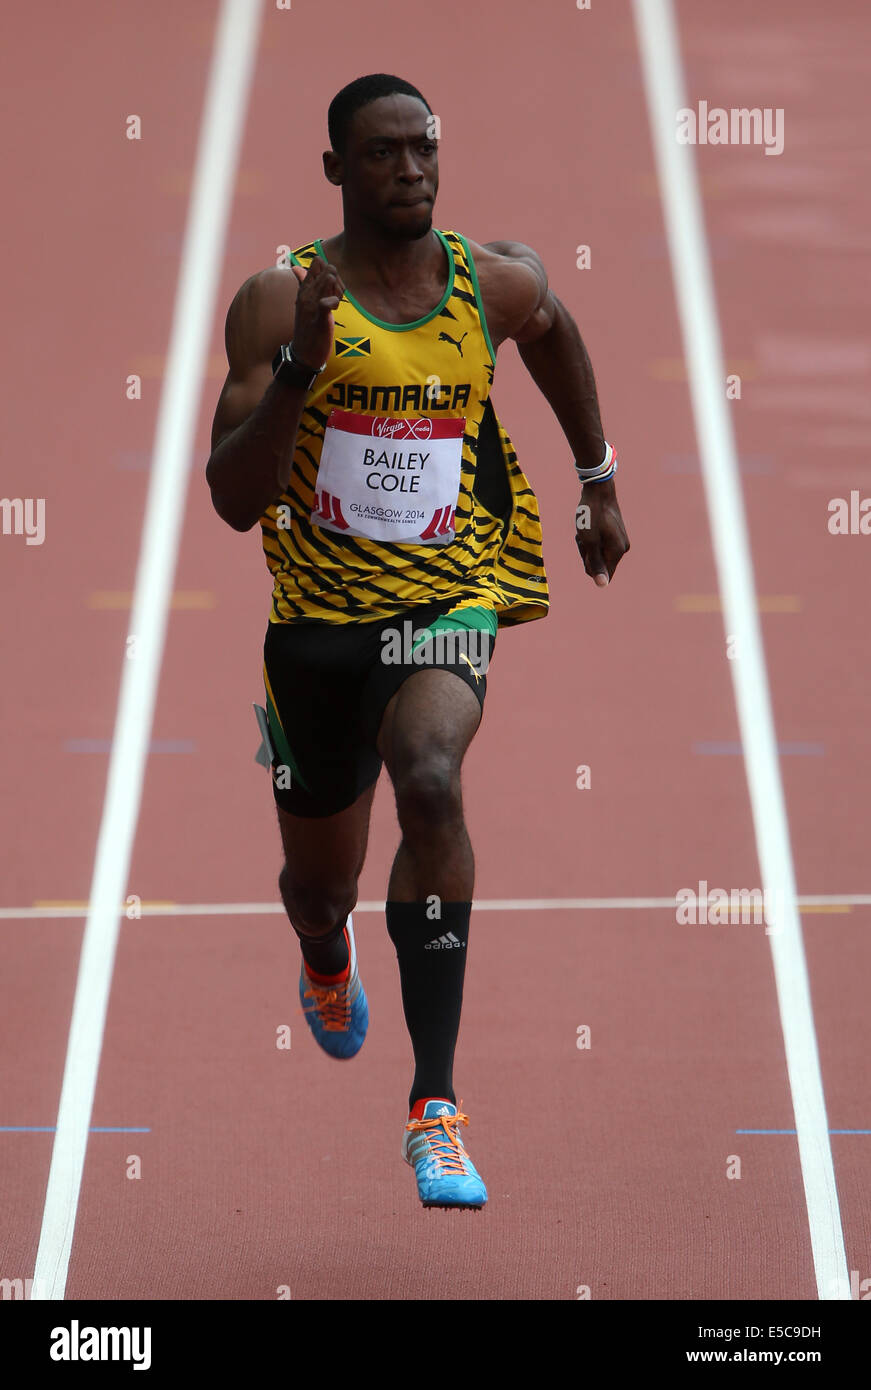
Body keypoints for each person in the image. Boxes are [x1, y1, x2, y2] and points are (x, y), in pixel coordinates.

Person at [206, 73, 629, 1210]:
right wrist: (299, 367)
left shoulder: (483, 281)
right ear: (336, 170)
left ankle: (434, 1105)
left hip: (448, 597)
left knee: (433, 780)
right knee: (316, 883)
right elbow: (233, 501)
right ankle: (325, 953)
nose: (411, 170)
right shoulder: (275, 299)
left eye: (425, 150)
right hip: (314, 626)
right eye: (384, 153)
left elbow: (550, 322)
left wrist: (597, 479)